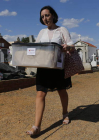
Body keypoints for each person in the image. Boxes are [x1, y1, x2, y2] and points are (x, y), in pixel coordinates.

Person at [26, 6, 75, 136]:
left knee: (62, 91)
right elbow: (36, 48)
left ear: (53, 15)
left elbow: (72, 46)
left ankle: (65, 113)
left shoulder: (62, 30)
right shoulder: (41, 32)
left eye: (47, 15)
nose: (45, 18)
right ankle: (37, 126)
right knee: (40, 94)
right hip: (43, 68)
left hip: (58, 67)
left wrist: (68, 47)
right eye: (42, 17)